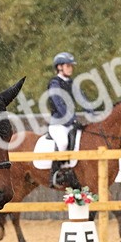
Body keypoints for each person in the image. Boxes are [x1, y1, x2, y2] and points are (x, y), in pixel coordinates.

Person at [46, 51, 78, 187]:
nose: (71, 68)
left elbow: (82, 98)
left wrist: (93, 112)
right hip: (58, 123)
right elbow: (58, 103)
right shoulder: (55, 83)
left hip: (71, 122)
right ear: (59, 67)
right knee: (63, 143)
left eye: (71, 66)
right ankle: (54, 174)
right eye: (68, 66)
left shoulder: (71, 82)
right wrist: (69, 118)